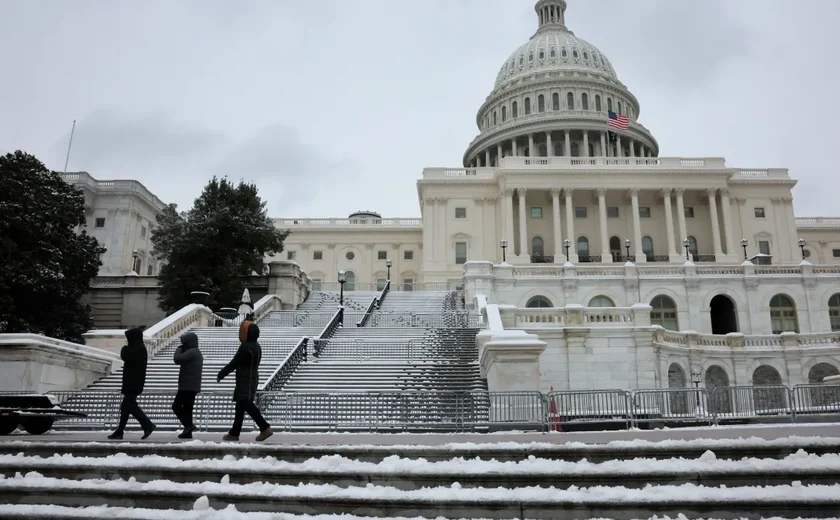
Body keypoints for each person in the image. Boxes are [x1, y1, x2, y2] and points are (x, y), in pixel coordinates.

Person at [217, 320, 273, 442]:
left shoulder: (245, 347)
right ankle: (234, 432)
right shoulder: (256, 346)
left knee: (246, 403)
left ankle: (264, 427)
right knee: (240, 405)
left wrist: (222, 373)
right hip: (252, 378)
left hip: (245, 379)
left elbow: (234, 363)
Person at [108, 327, 156, 440]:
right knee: (125, 408)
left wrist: (124, 348)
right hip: (133, 382)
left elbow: (125, 356)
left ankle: (148, 424)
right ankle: (120, 431)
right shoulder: (138, 347)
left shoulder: (137, 348)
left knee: (128, 406)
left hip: (133, 383)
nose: (127, 340)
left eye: (128, 338)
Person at [173, 332, 203, 439]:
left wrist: (179, 348)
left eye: (183, 342)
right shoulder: (196, 352)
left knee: (176, 406)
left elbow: (177, 359)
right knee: (187, 409)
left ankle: (189, 426)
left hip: (187, 386)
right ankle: (188, 432)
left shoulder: (192, 352)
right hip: (192, 386)